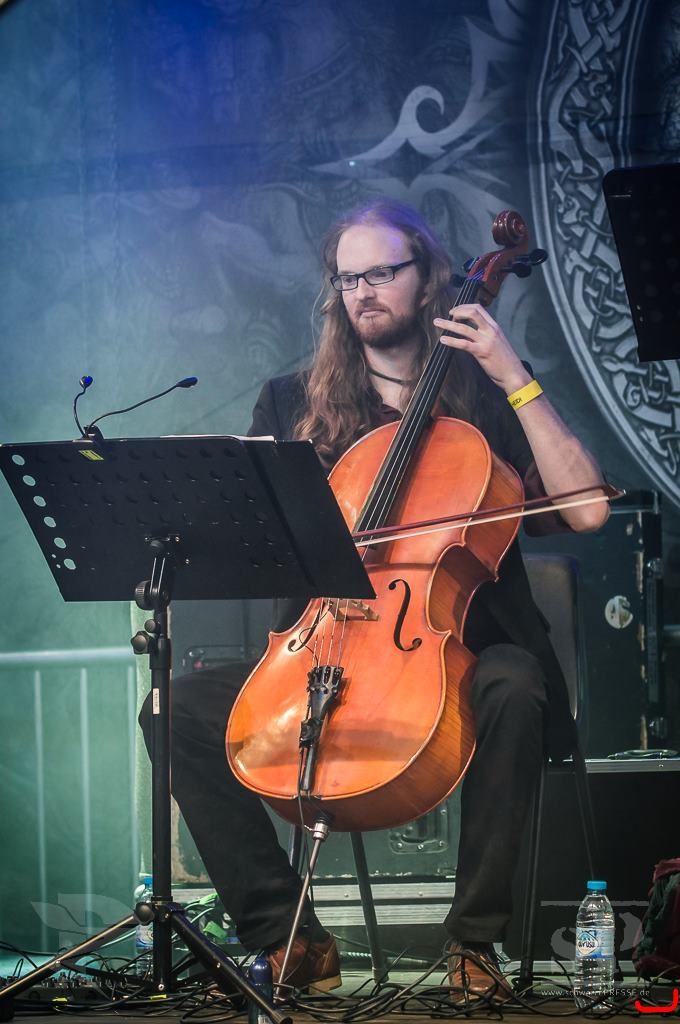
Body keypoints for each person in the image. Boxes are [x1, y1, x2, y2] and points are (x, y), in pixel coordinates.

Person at [139, 198, 608, 1001]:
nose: (362, 291)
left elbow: (589, 511)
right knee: (170, 709)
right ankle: (286, 935)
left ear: (428, 278)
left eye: (382, 273)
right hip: (325, 649)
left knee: (516, 684)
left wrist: (515, 377)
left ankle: (474, 944)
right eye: (347, 278)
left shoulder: (484, 394)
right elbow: (254, 537)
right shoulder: (291, 402)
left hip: (459, 650)